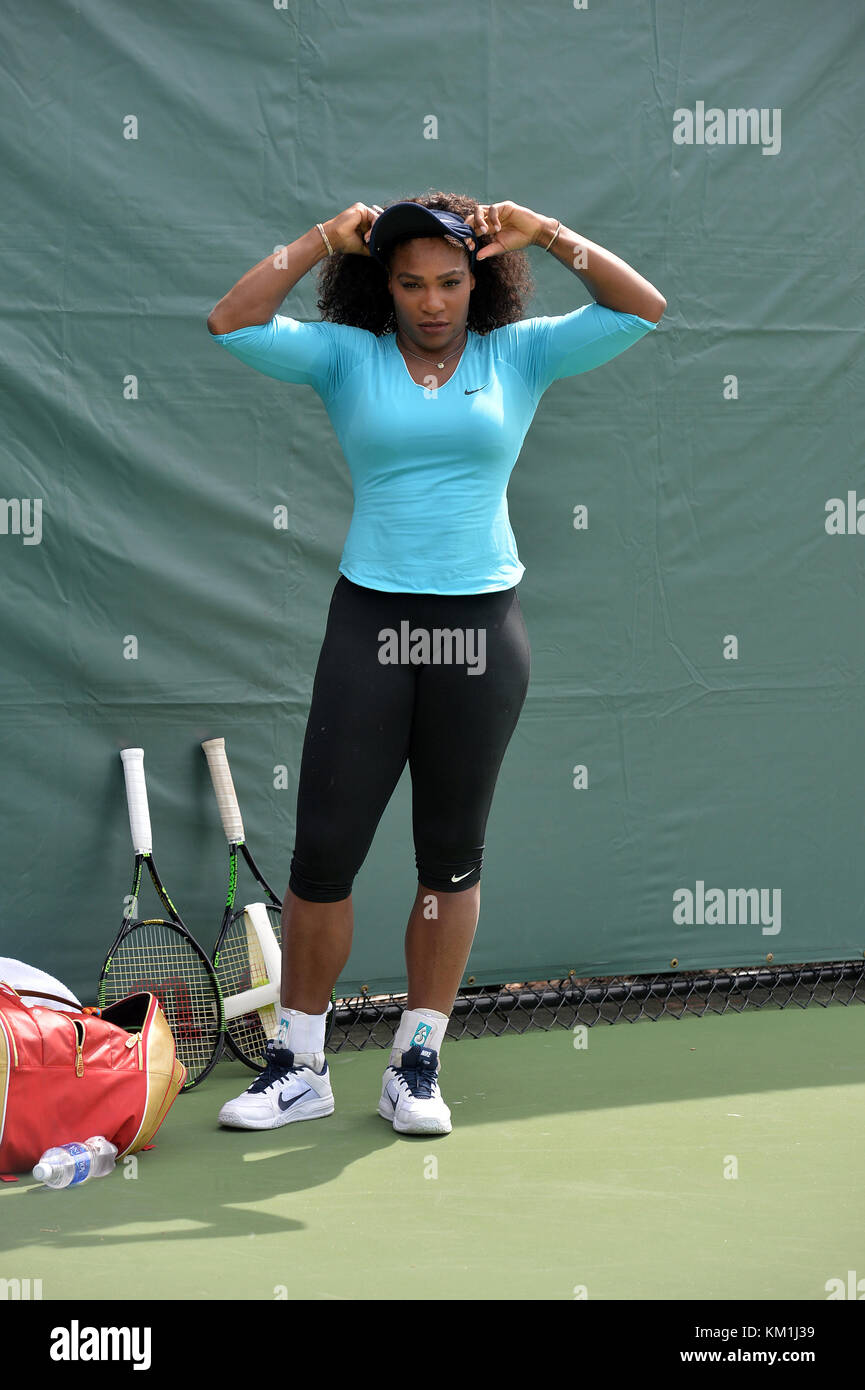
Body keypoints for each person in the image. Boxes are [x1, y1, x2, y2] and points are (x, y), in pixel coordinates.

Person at [206, 192, 665, 1136]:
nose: (430, 301)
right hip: (371, 621)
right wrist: (319, 240)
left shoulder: (519, 353)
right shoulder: (348, 355)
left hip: (480, 632)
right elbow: (233, 321)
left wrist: (547, 233)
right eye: (409, 282)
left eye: (450, 281)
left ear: (479, 278)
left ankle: (415, 1064)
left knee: (448, 860)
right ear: (382, 283)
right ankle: (300, 1064)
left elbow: (639, 308)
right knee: (324, 853)